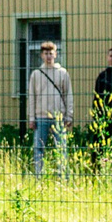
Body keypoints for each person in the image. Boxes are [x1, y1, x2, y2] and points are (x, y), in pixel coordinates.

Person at [27, 40, 73, 178]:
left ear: (56, 54)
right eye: (46, 53)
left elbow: (68, 95)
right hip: (41, 117)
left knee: (61, 148)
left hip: (58, 117)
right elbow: (31, 97)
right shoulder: (36, 74)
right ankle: (39, 176)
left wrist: (69, 116)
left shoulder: (62, 73)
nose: (48, 56)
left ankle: (62, 177)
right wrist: (31, 118)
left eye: (51, 53)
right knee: (39, 149)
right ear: (41, 55)